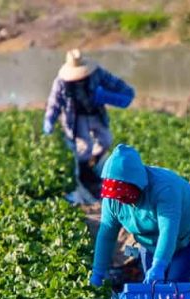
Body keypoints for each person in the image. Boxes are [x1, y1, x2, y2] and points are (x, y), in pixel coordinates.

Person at [90, 144, 190, 288]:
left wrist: (159, 266)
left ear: (136, 184)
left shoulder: (164, 188)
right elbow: (107, 235)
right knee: (153, 290)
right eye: (115, 195)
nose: (119, 199)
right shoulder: (112, 200)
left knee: (172, 287)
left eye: (123, 193)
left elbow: (168, 231)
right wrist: (98, 273)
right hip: (150, 240)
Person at [43, 49, 135, 198]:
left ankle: (93, 164)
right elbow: (54, 102)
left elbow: (116, 84)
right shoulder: (61, 82)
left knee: (106, 140)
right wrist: (49, 121)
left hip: (95, 113)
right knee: (84, 147)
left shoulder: (96, 73)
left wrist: (120, 93)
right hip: (76, 118)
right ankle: (85, 174)